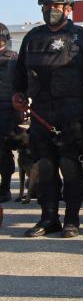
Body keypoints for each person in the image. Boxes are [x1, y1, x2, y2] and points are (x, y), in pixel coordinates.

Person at [12, 0, 83, 238]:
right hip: (41, 112)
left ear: (68, 8)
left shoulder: (82, 37)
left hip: (72, 112)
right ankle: (48, 218)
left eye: (55, 6)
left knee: (71, 167)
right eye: (46, 6)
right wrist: (18, 94)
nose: (49, 10)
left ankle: (72, 220)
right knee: (44, 168)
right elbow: (19, 72)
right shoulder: (32, 37)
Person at [0, 23, 18, 203]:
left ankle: (5, 188)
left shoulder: (13, 58)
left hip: (6, 109)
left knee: (3, 150)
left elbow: (21, 83)